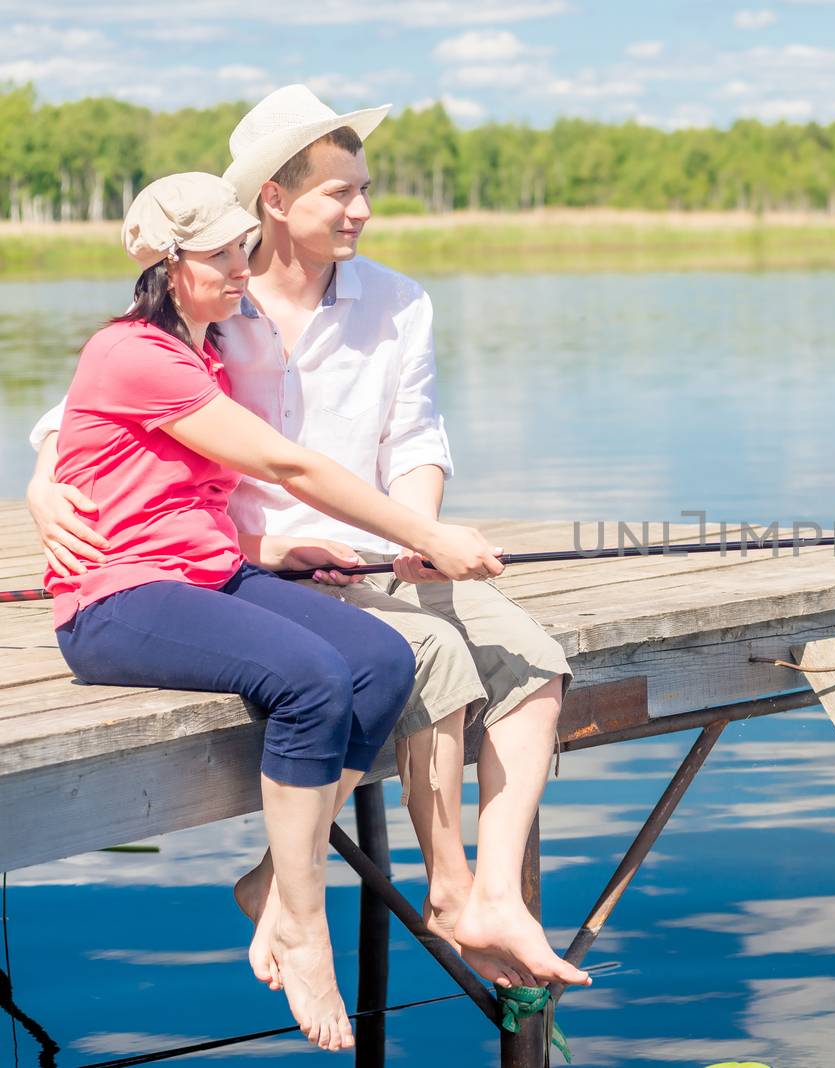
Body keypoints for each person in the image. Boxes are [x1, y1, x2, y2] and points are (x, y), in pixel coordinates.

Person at [26, 86, 591, 994]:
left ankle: (491, 892)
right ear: (275, 202)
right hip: (260, 566)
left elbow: (415, 436)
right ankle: (423, 887)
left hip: (379, 546)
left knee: (530, 659)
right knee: (427, 657)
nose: (362, 209)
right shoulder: (211, 304)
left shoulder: (396, 304)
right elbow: (86, 412)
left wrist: (422, 530)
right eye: (341, 192)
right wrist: (44, 482)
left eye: (364, 188)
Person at [50, 172, 507, 1050]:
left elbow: (172, 499)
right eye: (220, 254)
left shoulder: (204, 350)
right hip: (117, 601)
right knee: (308, 678)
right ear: (172, 265)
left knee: (378, 659)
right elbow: (289, 469)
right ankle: (304, 917)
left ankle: (276, 880)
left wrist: (273, 553)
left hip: (206, 575)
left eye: (239, 247)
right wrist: (426, 532)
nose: (240, 266)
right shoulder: (134, 353)